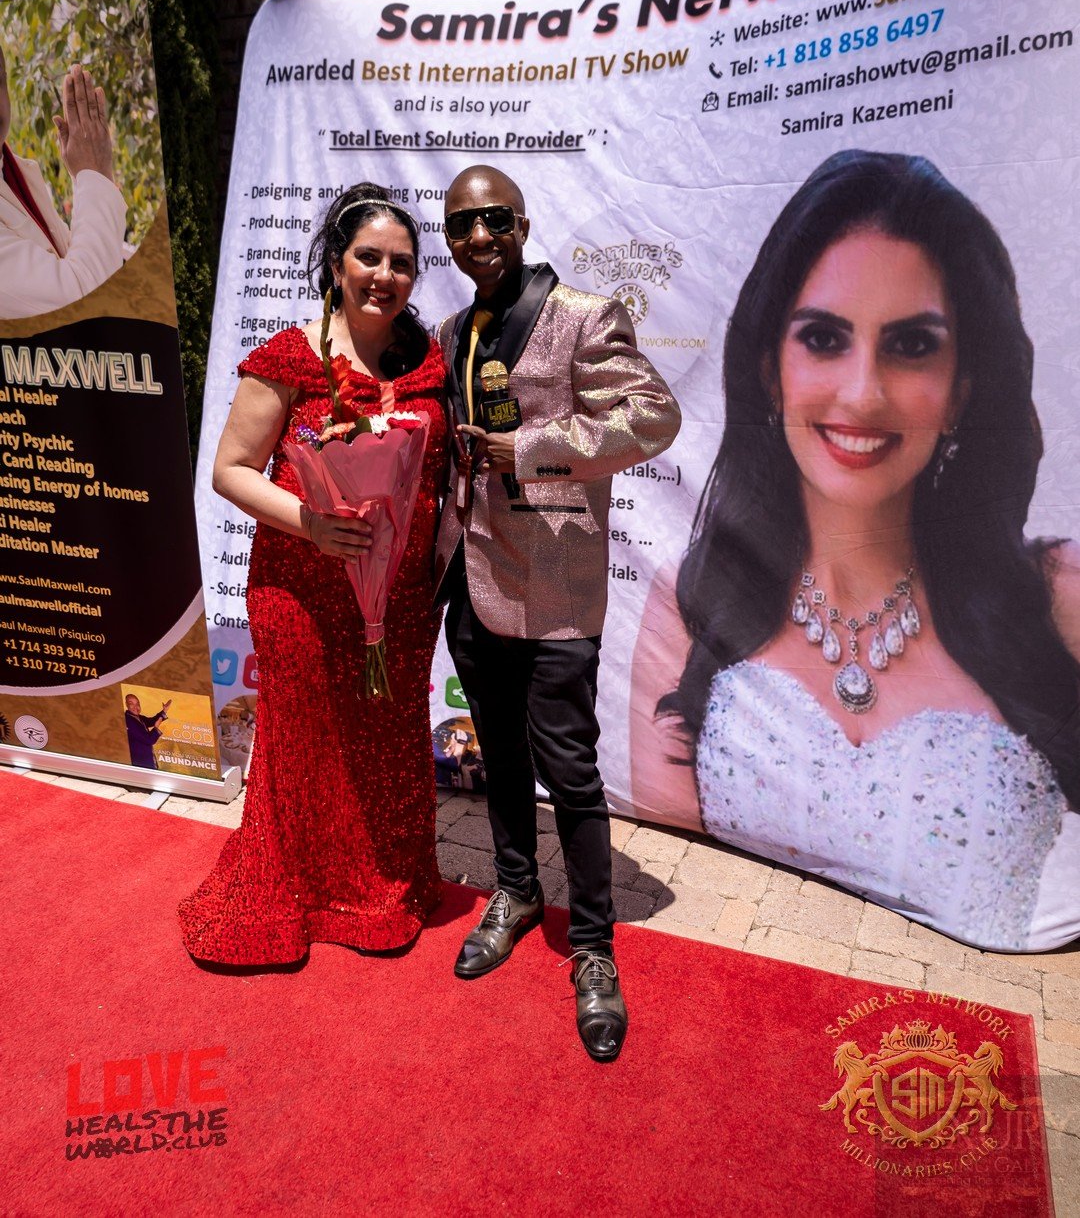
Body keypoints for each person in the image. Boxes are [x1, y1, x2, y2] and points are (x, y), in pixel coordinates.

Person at [631, 149, 1080, 953]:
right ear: (770, 370)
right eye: (824, 337)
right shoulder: (691, 597)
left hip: (969, 1010)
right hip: (736, 978)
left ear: (962, 390)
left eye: (911, 345)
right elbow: (671, 895)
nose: (863, 393)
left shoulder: (1057, 596)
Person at [434, 164, 681, 1060]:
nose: (480, 236)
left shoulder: (582, 315)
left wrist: (532, 447)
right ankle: (515, 889)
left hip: (557, 589)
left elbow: (653, 416)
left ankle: (594, 946)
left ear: (524, 223)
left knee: (570, 774)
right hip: (473, 580)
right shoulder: (452, 331)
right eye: (462, 224)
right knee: (499, 753)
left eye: (495, 218)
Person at [179, 183, 447, 964]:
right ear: (336, 264)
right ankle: (300, 892)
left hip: (398, 602)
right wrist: (314, 524)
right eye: (369, 257)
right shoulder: (291, 356)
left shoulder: (428, 357)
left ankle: (380, 888)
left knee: (386, 743)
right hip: (300, 585)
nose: (384, 275)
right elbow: (231, 470)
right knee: (305, 743)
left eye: (401, 263)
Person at [0, 47, 127, 320]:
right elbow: (83, 302)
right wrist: (92, 173)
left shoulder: (14, 173)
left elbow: (75, 256)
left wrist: (91, 174)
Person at [125, 694, 171, 770]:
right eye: (131, 704)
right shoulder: (128, 720)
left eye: (137, 704)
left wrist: (164, 711)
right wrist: (156, 727)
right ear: (126, 705)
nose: (135, 707)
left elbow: (151, 721)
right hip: (140, 764)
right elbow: (148, 740)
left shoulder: (139, 717)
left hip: (147, 761)